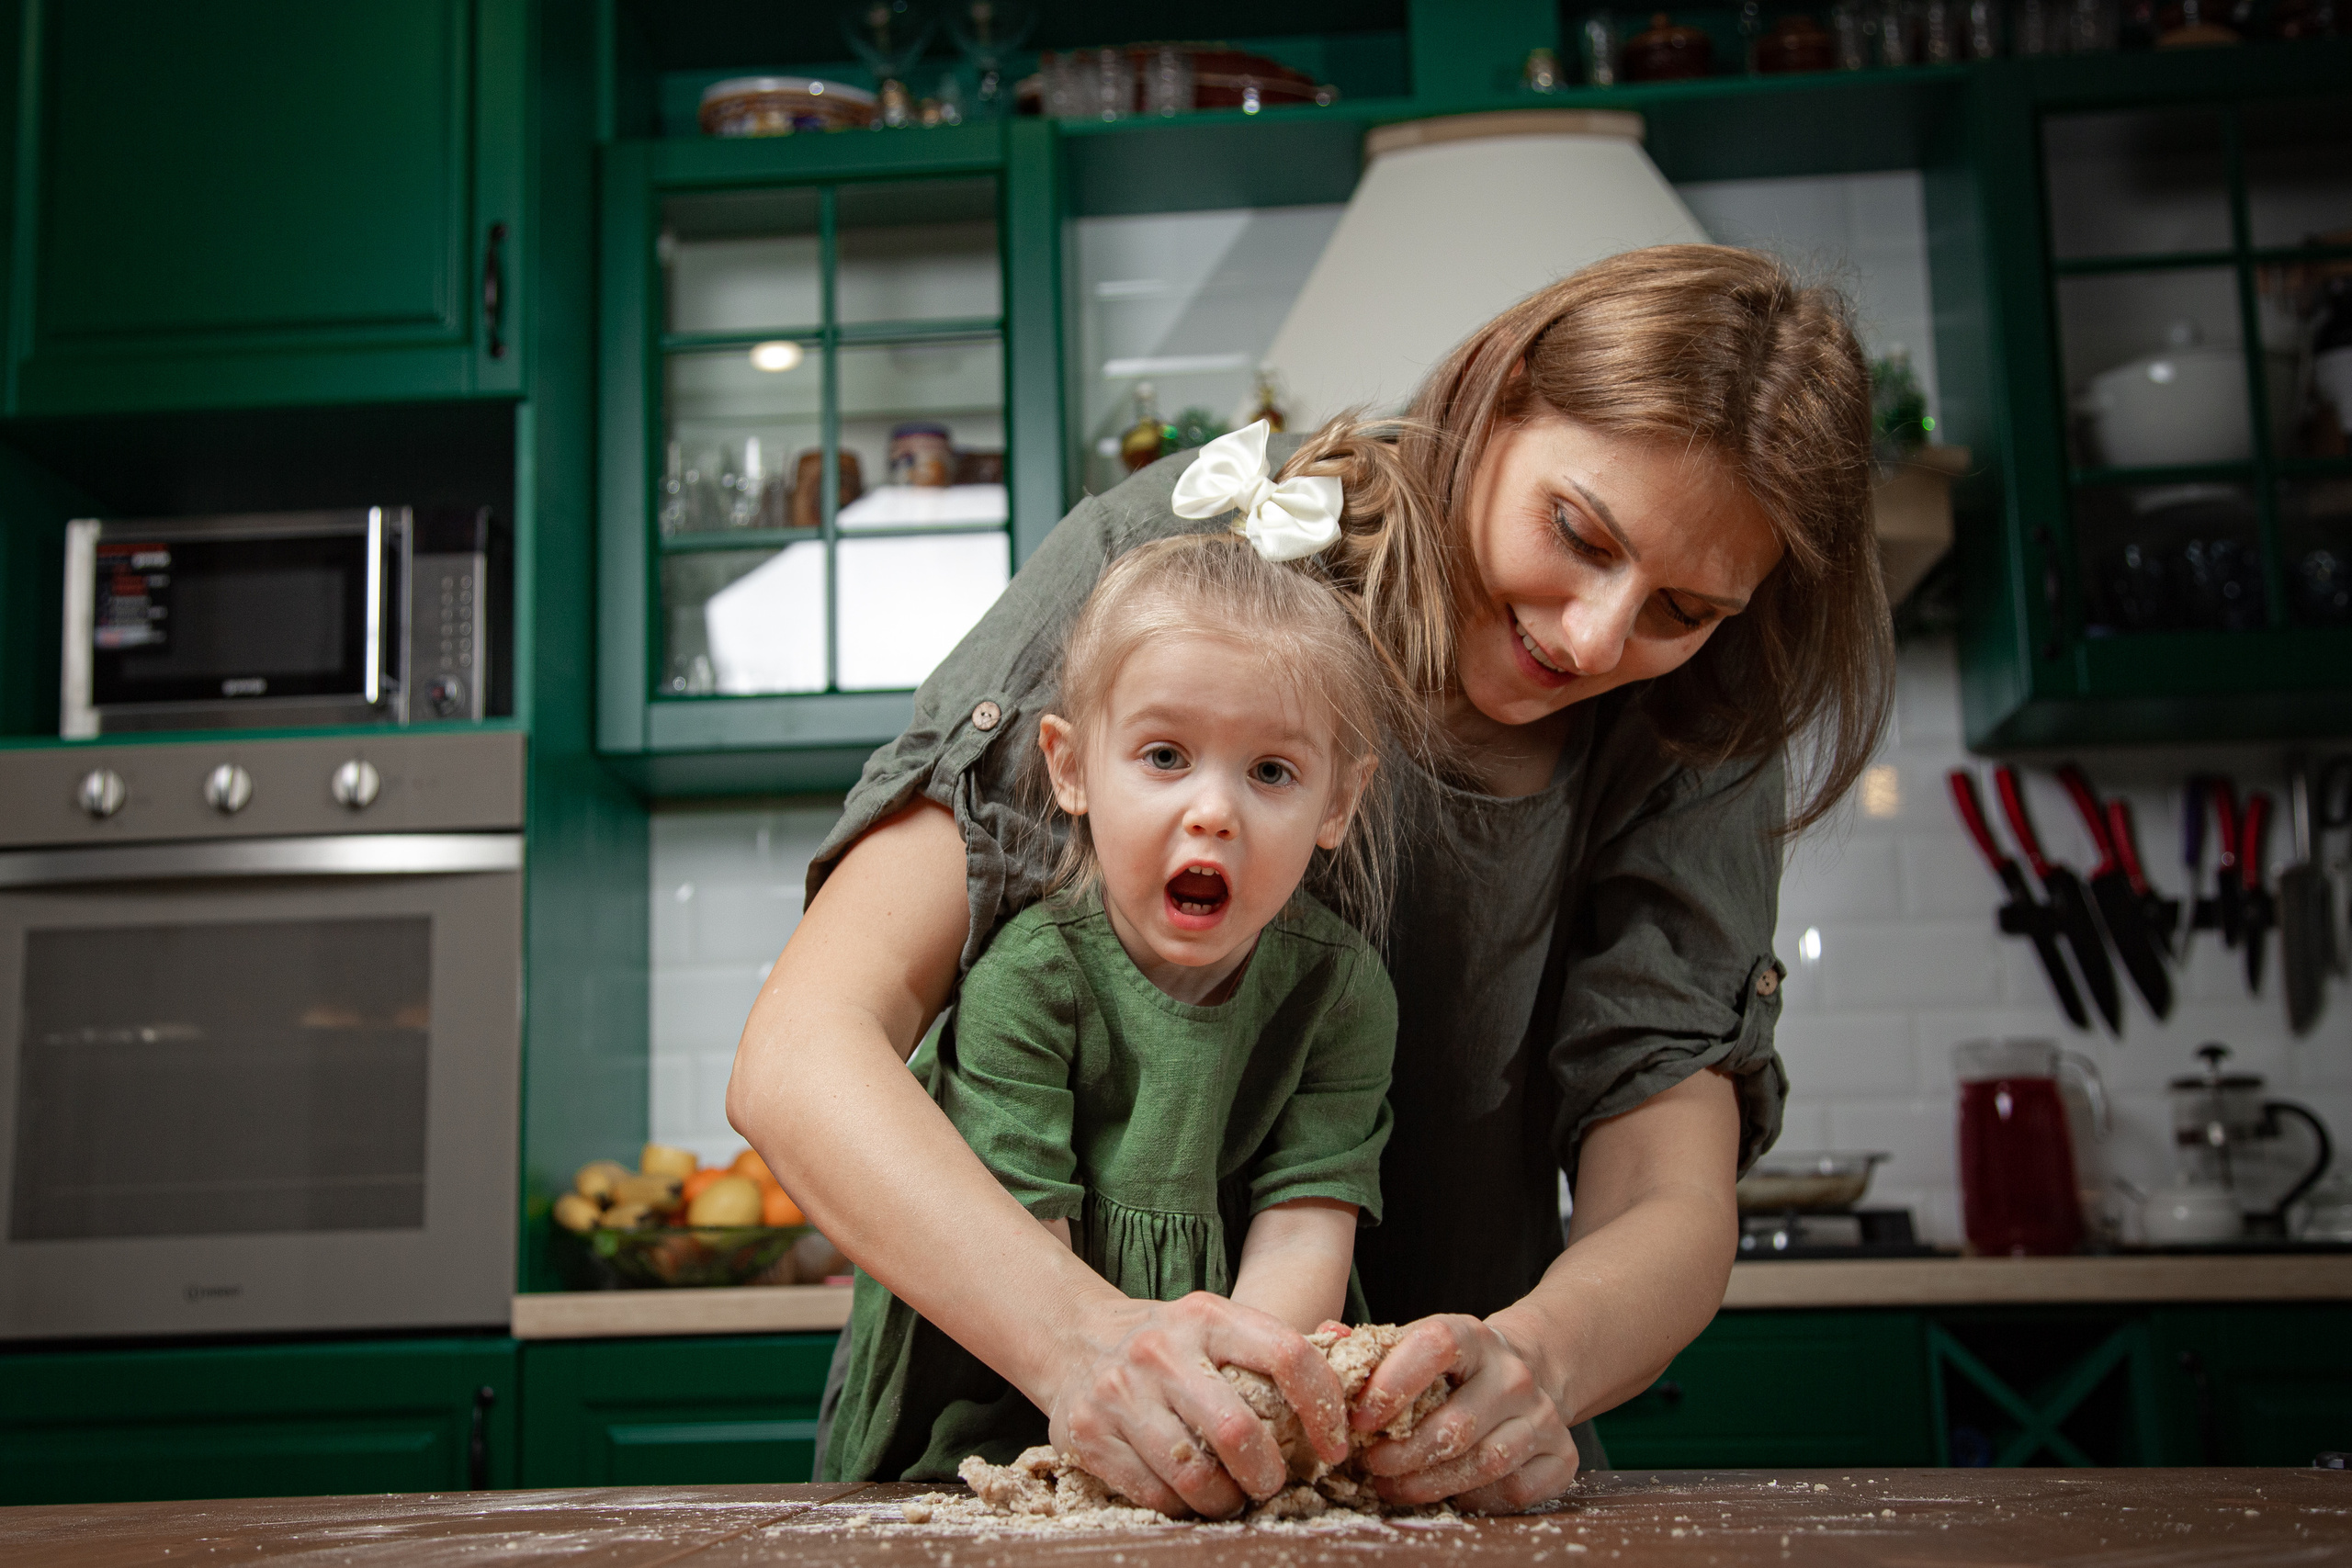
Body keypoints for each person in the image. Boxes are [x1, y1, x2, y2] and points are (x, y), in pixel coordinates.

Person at [729, 244, 1894, 1516]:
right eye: (1577, 533)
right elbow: (802, 1049)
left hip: (1425, 1491)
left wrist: (1542, 1361)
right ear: (1494, 395)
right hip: (1004, 1445)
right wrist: (1080, 1341)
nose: (1596, 634)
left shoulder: (1692, 718)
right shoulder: (1194, 548)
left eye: (1684, 605)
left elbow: (1671, 1188)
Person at [822, 525, 1417, 1483]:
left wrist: (1238, 1412)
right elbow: (1025, 1262)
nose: (1214, 810)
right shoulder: (1030, 979)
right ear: (1069, 767)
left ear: (1337, 805)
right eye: (1165, 756)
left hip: (1218, 1403)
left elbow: (1306, 1223)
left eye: (1271, 771)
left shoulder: (1338, 993)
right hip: (1006, 1404)